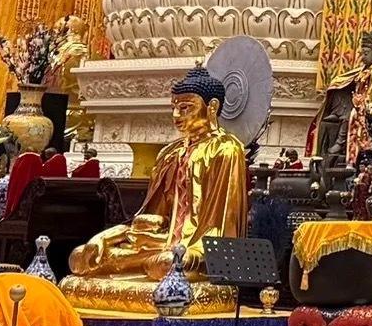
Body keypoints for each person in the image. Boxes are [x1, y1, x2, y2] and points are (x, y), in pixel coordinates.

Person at [65, 66, 247, 283]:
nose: (176, 115)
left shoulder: (226, 149)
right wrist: (105, 237)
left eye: (186, 108)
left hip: (199, 248)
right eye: (174, 108)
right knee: (80, 258)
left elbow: (221, 225)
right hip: (159, 243)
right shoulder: (169, 154)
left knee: (168, 264)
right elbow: (154, 217)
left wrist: (182, 246)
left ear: (212, 107)